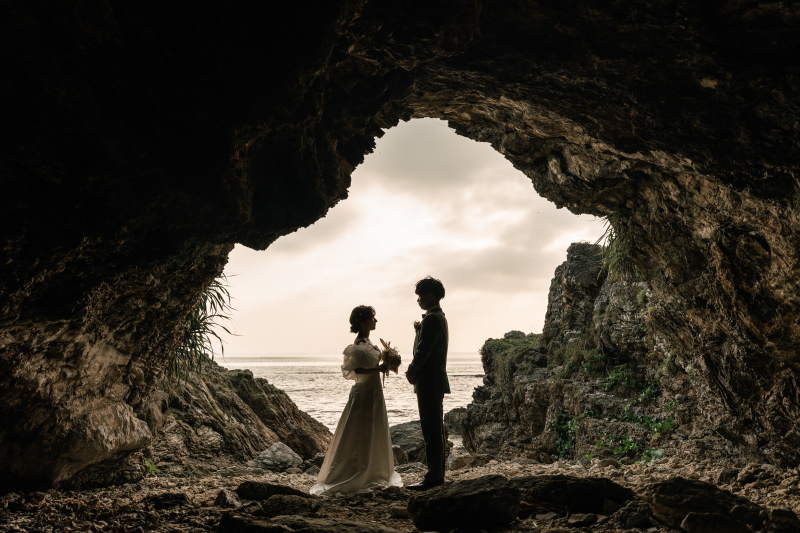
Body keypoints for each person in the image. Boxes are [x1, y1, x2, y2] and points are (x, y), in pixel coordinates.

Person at [310, 305, 403, 495]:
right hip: (364, 392)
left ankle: (375, 469)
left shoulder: (368, 342)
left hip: (375, 392)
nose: (375, 321)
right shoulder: (358, 345)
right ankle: (356, 471)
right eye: (372, 318)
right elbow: (356, 371)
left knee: (374, 428)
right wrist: (378, 369)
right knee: (360, 430)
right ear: (363, 321)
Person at [405, 276, 450, 491]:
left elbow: (423, 351)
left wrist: (411, 371)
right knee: (434, 429)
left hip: (429, 381)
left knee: (431, 431)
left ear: (430, 295)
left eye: (420, 296)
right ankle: (437, 474)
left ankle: (434, 477)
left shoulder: (432, 319)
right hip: (434, 381)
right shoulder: (439, 317)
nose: (418, 300)